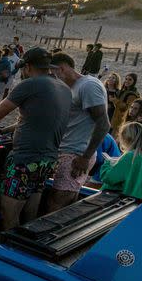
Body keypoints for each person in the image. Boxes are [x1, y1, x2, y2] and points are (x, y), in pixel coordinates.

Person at [0, 48, 70, 231]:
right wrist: (3, 131)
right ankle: (25, 247)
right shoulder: (63, 88)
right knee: (30, 213)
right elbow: (36, 121)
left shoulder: (30, 84)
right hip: (46, 160)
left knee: (8, 214)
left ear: (28, 67)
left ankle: (10, 252)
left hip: (24, 161)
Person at [45, 53, 109, 213]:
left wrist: (85, 157)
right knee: (64, 203)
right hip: (69, 152)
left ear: (62, 68)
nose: (51, 76)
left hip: (76, 154)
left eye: (53, 71)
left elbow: (103, 123)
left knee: (56, 205)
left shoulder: (88, 86)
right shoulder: (72, 87)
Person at [100, 122, 142, 199]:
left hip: (117, 198)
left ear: (128, 139)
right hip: (135, 198)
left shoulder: (130, 156)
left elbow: (109, 178)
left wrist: (107, 163)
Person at [110, 73, 139, 137]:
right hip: (117, 119)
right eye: (126, 79)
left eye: (130, 80)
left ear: (134, 82)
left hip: (122, 120)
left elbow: (127, 108)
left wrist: (115, 100)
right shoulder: (125, 91)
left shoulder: (132, 94)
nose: (127, 81)